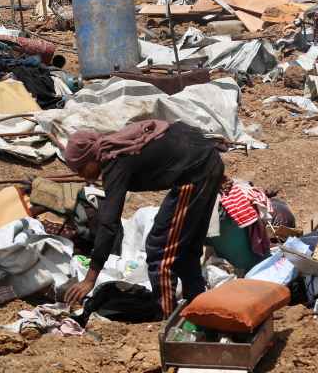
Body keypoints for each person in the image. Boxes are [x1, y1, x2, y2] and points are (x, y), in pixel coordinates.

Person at [61, 121, 225, 318]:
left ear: (90, 158)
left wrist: (90, 278)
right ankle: (199, 307)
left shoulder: (115, 161)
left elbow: (108, 223)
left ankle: (167, 317)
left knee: (160, 250)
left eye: (80, 169)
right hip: (206, 163)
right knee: (185, 249)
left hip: (195, 174)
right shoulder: (117, 147)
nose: (82, 176)